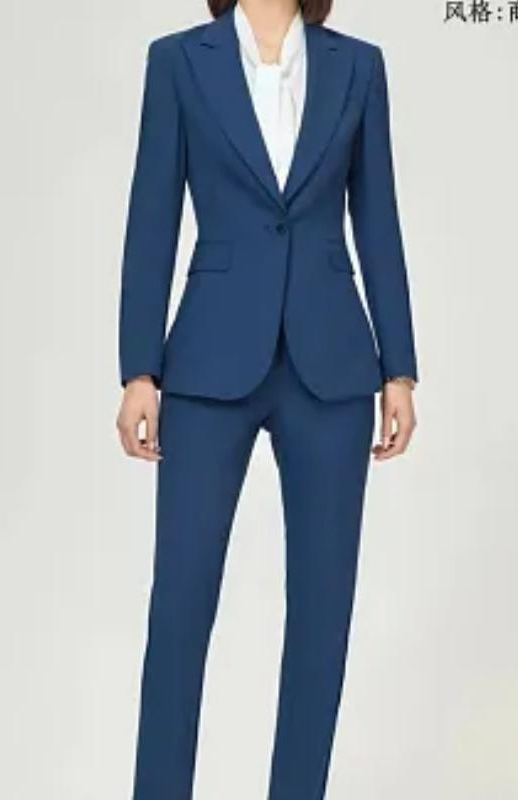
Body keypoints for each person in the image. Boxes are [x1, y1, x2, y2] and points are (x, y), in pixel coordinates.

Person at [115, 1, 418, 797]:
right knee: (180, 605)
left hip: (333, 367)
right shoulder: (179, 61)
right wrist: (139, 369)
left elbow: (377, 216)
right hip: (207, 363)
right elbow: (153, 213)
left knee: (323, 614)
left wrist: (400, 368)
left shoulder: (358, 66)